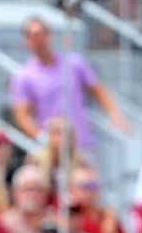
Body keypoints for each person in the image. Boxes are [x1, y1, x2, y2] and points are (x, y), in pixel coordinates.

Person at [10, 17, 129, 151]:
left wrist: (114, 112)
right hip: (51, 148)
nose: (39, 40)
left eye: (41, 34)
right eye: (33, 35)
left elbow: (97, 89)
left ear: (49, 36)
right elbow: (22, 115)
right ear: (26, 41)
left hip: (80, 143)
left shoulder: (74, 63)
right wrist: (44, 138)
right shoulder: (24, 76)